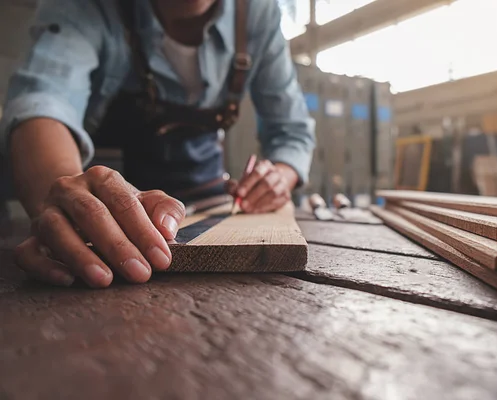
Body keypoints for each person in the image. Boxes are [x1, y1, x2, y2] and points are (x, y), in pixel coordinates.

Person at [0, 0, 315, 288]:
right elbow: (43, 102)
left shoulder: (259, 12)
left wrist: (278, 177)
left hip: (211, 201)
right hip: (118, 205)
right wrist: (70, 199)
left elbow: (292, 132)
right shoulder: (89, 7)